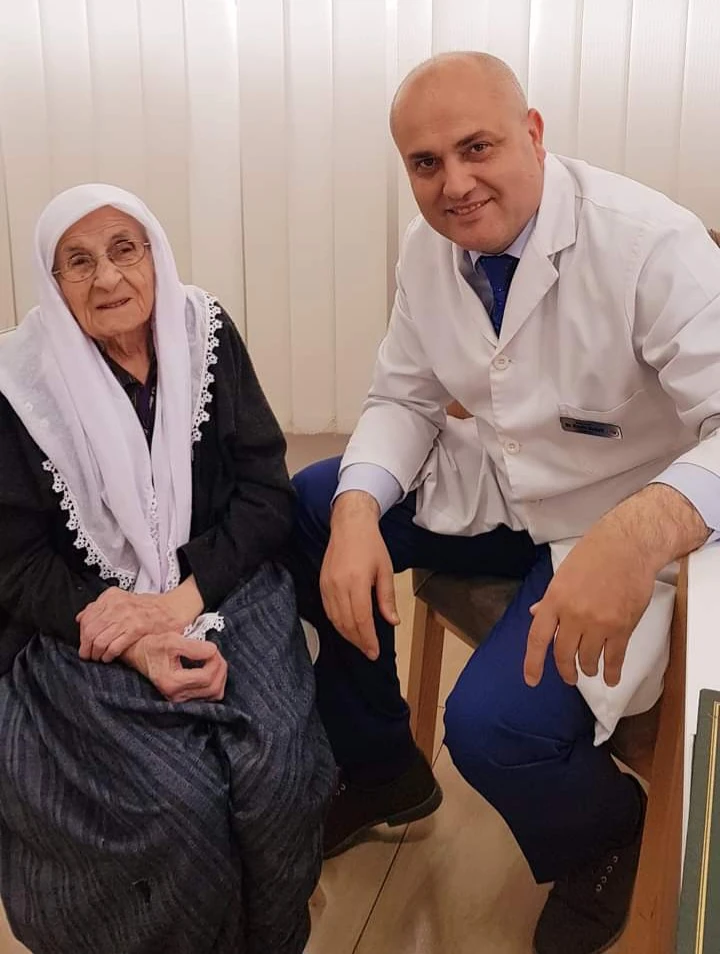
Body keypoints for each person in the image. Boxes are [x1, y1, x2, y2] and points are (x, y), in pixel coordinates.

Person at [286, 52, 720, 954]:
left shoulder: (650, 244)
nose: (454, 184)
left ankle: (606, 837)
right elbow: (403, 399)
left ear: (533, 133)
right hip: (502, 486)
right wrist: (359, 511)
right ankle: (381, 765)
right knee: (316, 504)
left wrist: (643, 529)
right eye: (426, 163)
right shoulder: (430, 252)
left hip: (621, 525)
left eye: (476, 147)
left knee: (493, 732)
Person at [0, 184, 335, 954]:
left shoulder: (202, 332)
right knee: (171, 800)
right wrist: (134, 636)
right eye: (78, 262)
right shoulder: (19, 385)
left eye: (125, 249)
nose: (108, 278)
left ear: (155, 253)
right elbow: (16, 561)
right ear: (52, 282)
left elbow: (264, 493)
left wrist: (178, 602)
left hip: (219, 585)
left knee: (276, 771)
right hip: (84, 613)